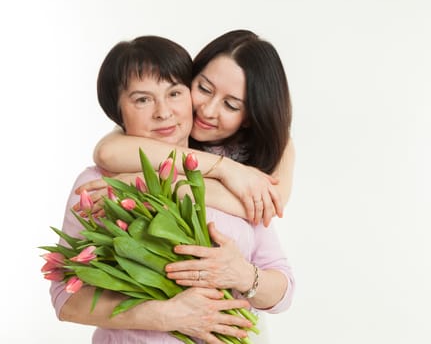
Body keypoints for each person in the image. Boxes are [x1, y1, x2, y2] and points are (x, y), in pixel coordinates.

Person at [50, 35, 294, 344]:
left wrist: (242, 274)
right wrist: (165, 315)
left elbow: (284, 289)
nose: (163, 112)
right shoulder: (98, 184)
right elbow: (65, 299)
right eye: (142, 99)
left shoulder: (235, 180)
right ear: (118, 111)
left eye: (175, 93)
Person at [79, 30, 295, 227]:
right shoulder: (168, 125)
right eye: (203, 88)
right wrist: (226, 169)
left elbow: (266, 204)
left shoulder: (276, 145)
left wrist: (154, 183)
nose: (207, 110)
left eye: (231, 105)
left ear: (251, 116)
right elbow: (108, 152)